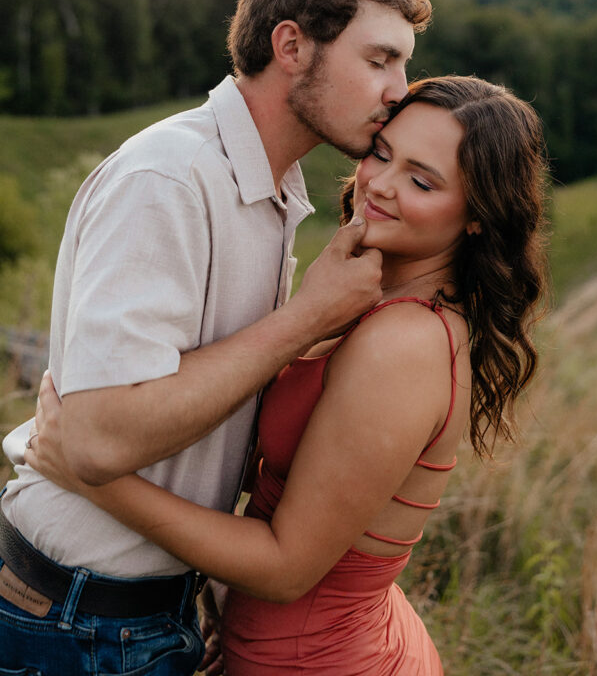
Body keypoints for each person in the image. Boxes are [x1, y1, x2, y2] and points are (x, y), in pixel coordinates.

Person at [0, 0, 431, 674]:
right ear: (290, 46)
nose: (398, 91)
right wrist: (307, 318)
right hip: (73, 626)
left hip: (142, 615)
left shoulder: (270, 187)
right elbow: (99, 441)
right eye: (378, 60)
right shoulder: (169, 180)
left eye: (403, 64)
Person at [26, 75, 549, 675]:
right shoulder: (368, 295)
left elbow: (286, 568)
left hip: (320, 662)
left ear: (479, 217)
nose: (379, 184)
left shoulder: (404, 343)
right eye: (382, 153)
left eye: (422, 180)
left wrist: (92, 475)